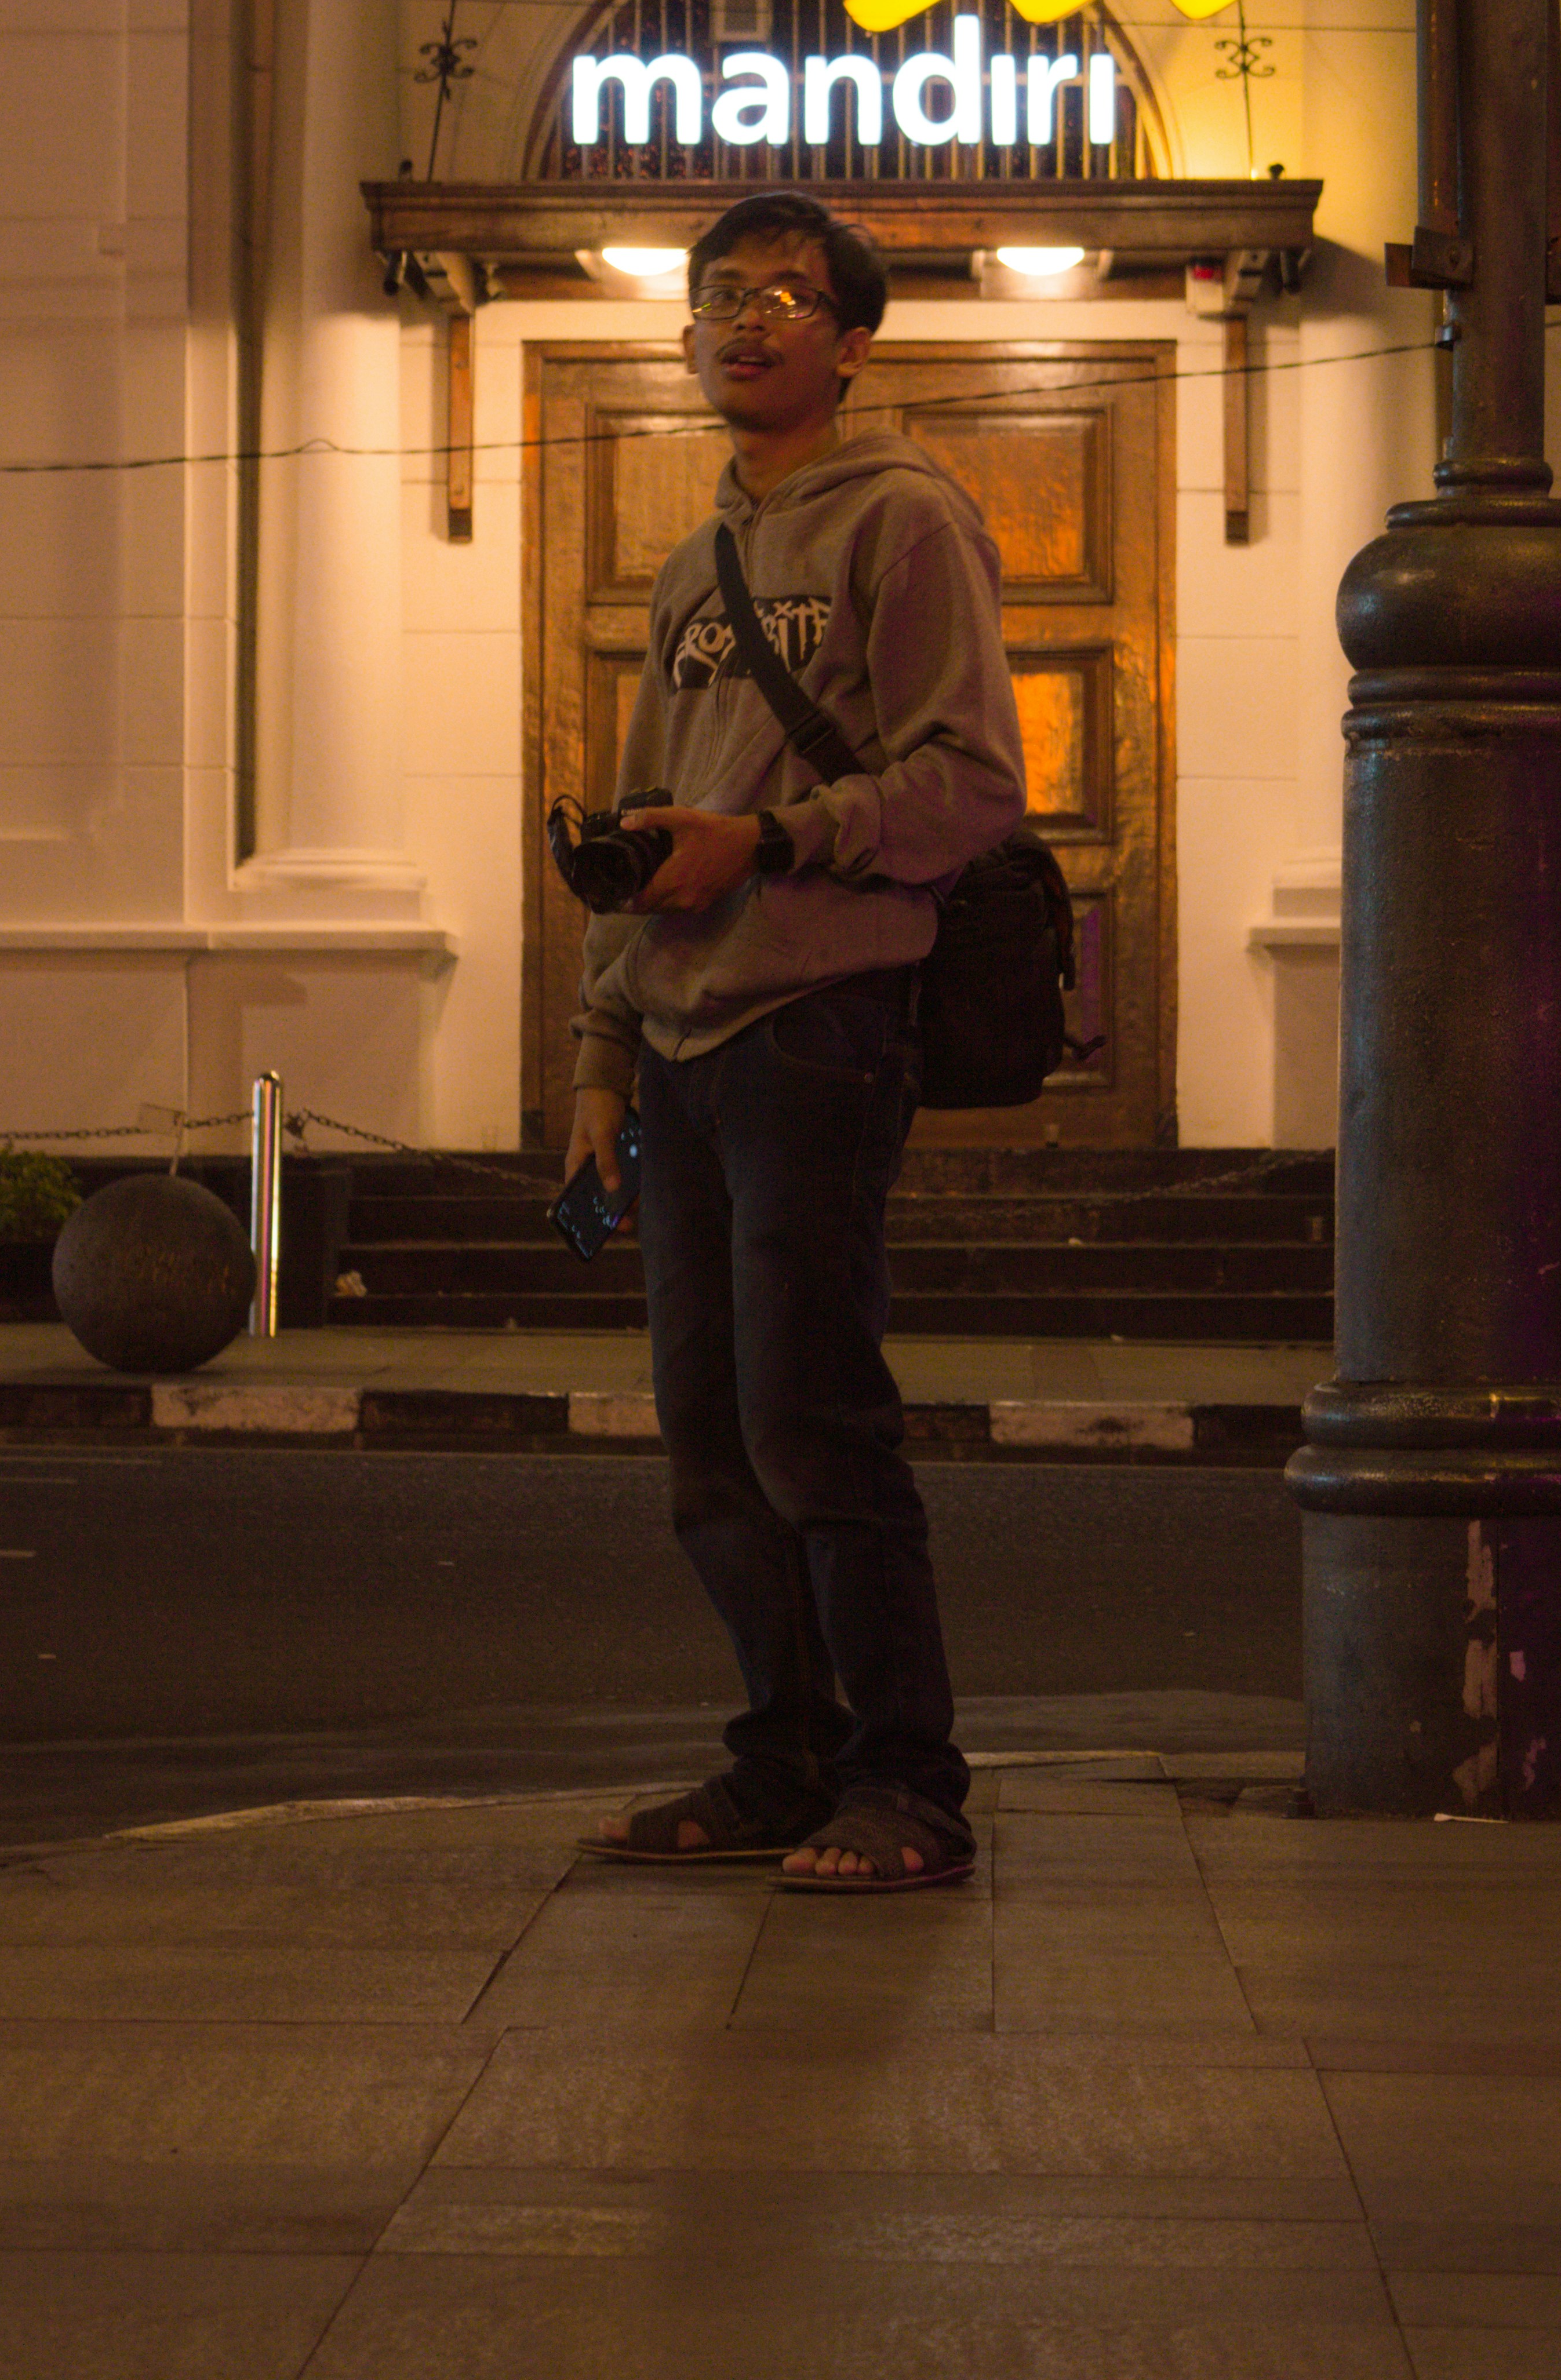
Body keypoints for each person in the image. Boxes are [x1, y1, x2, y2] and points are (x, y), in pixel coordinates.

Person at [568, 188, 1026, 1889]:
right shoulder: (697, 564)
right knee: (707, 1436)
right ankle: (783, 1756)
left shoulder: (903, 521)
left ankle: (908, 1784)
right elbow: (640, 825)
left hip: (818, 1023)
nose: (744, 322)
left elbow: (976, 781)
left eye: (784, 297)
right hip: (681, 1043)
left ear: (851, 339)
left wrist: (772, 841)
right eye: (717, 298)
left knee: (815, 1421)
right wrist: (599, 1059)